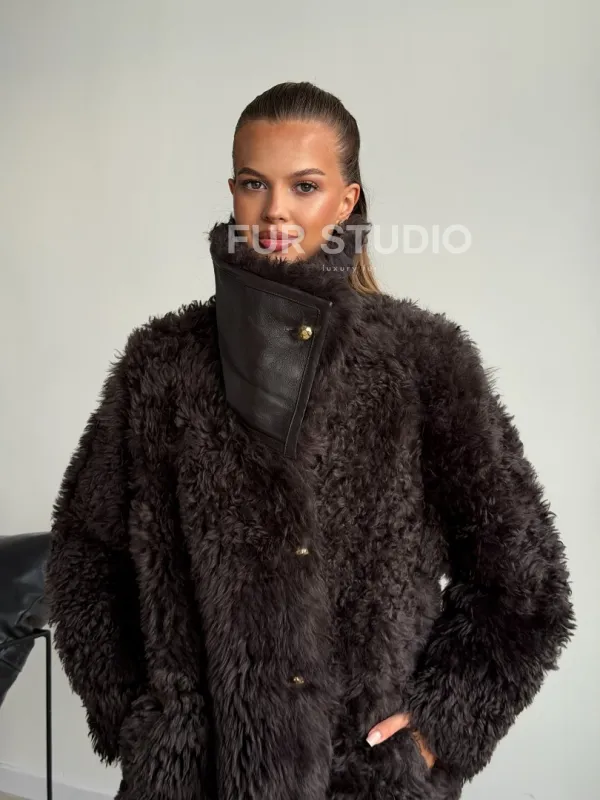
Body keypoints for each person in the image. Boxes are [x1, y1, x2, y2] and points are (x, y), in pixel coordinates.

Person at [45, 81, 576, 800]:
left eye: (304, 186)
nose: (275, 211)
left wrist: (439, 727)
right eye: (253, 183)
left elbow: (525, 580)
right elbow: (87, 553)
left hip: (364, 779)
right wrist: (148, 722)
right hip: (194, 780)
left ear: (346, 200)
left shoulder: (422, 360)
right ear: (231, 192)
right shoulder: (162, 363)